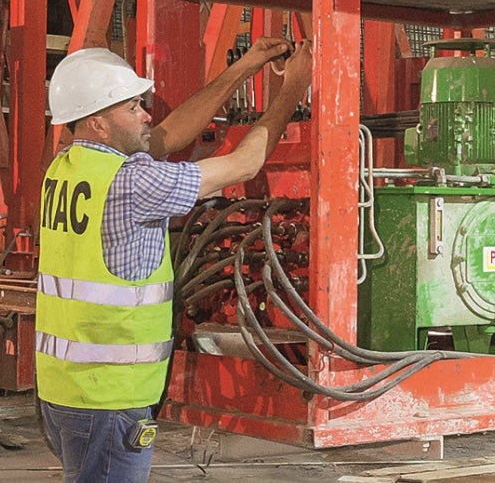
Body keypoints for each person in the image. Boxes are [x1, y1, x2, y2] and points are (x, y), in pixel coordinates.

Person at [34, 37, 313, 482]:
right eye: (132, 108)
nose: (146, 115)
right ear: (98, 123)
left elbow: (168, 135)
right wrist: (293, 87)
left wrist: (247, 65)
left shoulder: (67, 166)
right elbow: (244, 164)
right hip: (110, 398)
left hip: (64, 391)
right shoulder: (132, 183)